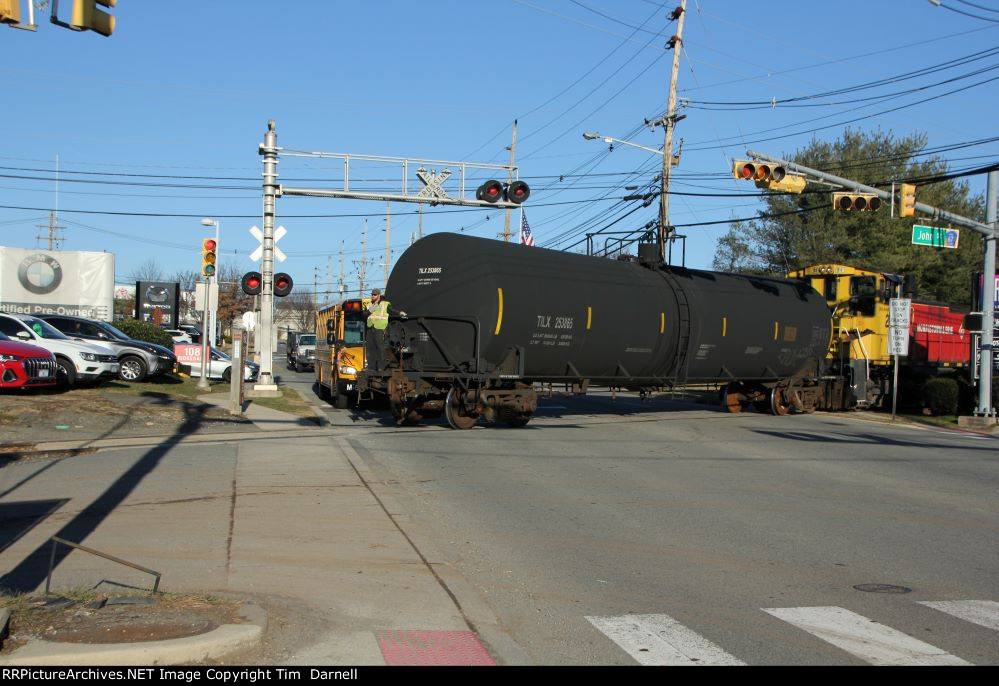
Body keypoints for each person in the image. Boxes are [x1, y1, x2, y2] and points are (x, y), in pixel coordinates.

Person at [364, 288, 406, 370]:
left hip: (379, 328)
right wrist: (372, 309)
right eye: (372, 294)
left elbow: (392, 310)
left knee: (380, 347)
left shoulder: (385, 304)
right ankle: (371, 366)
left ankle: (381, 365)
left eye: (375, 295)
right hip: (370, 328)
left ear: (379, 295)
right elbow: (364, 314)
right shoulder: (369, 305)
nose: (373, 296)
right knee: (370, 348)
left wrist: (399, 313)